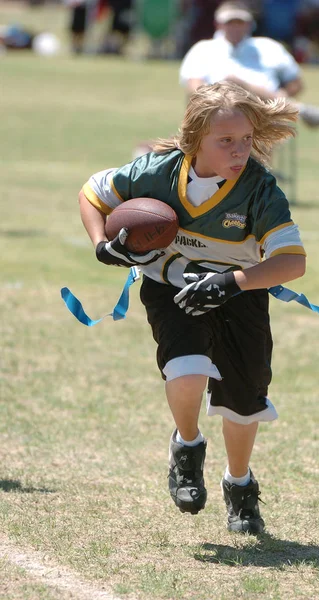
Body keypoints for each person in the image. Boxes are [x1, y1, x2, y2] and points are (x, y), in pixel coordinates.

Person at [78, 81, 306, 534]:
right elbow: (92, 193)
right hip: (171, 287)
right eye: (226, 141)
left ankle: (239, 485)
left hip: (240, 296)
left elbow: (292, 262)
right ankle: (187, 446)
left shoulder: (259, 189)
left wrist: (232, 282)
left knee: (243, 403)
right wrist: (102, 244)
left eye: (245, 140)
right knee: (187, 368)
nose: (240, 151)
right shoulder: (156, 172)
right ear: (194, 139)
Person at [179, 1, 319, 128]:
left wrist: (283, 95)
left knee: (259, 119)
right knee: (232, 82)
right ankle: (297, 109)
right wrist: (225, 98)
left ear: (249, 24)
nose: (235, 27)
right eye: (230, 23)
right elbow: (195, 87)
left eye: (240, 22)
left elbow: (296, 82)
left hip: (265, 116)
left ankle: (284, 106)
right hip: (219, 112)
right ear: (218, 24)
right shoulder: (203, 48)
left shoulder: (268, 47)